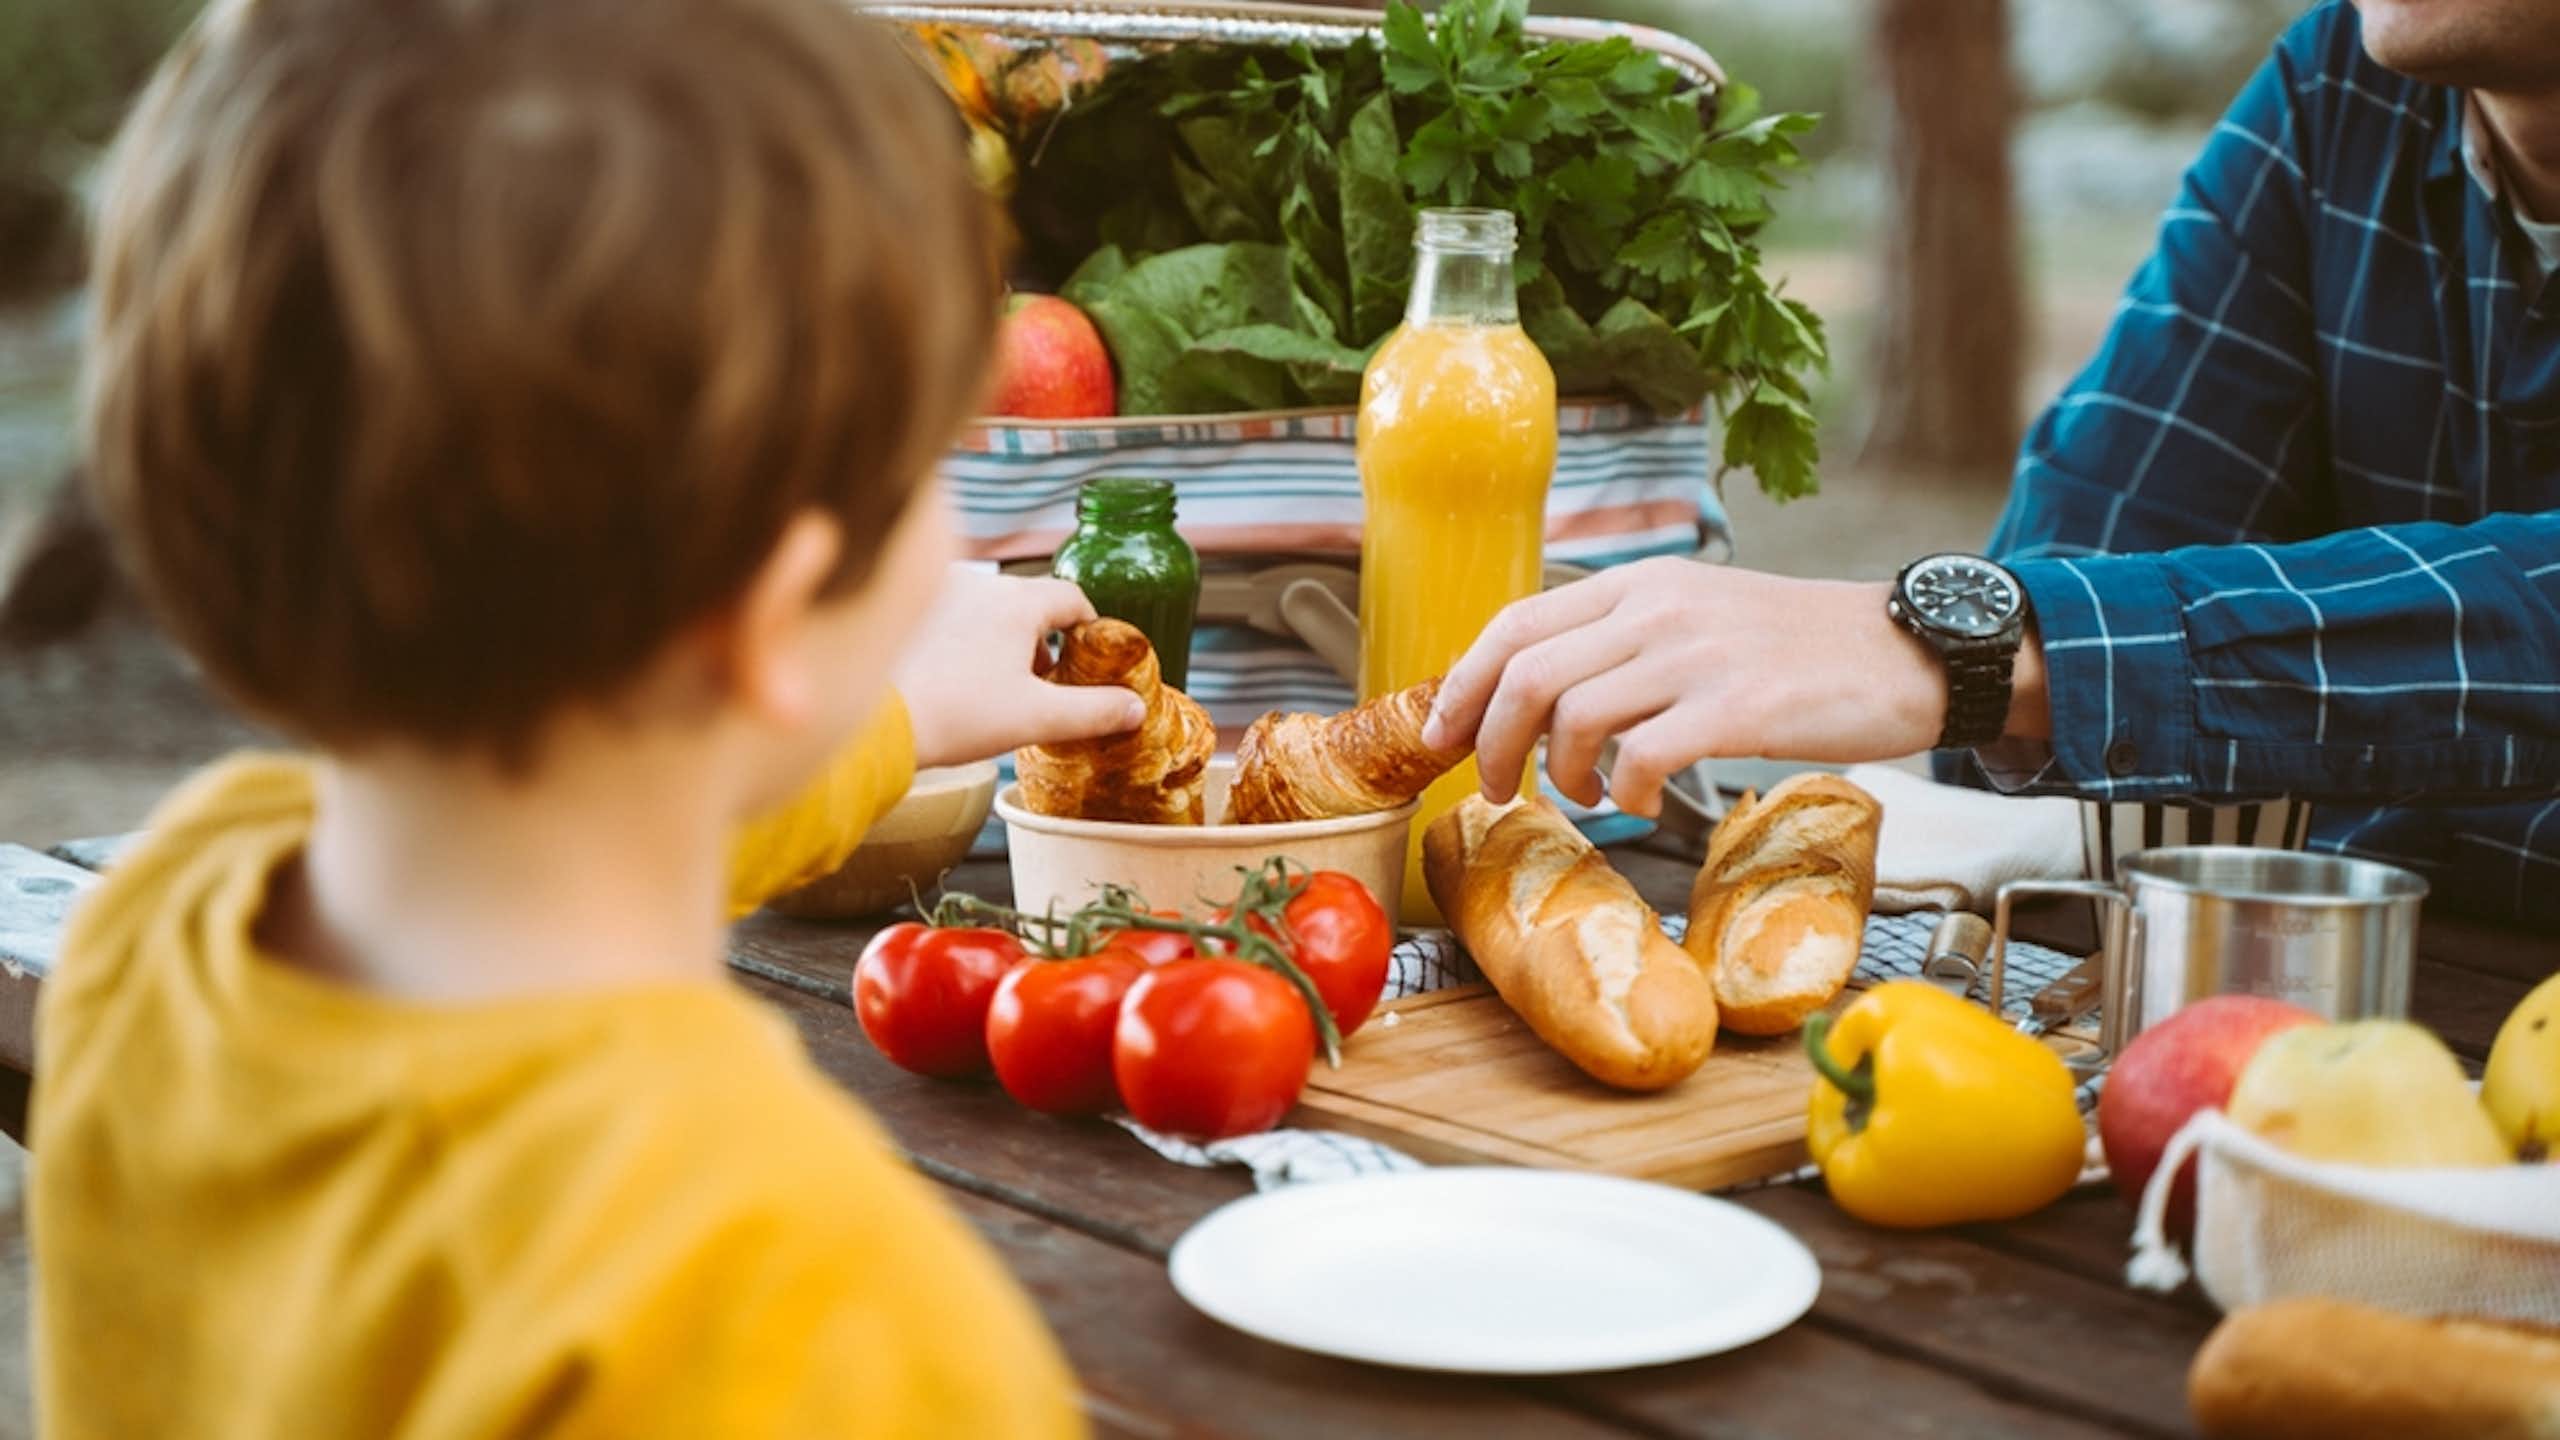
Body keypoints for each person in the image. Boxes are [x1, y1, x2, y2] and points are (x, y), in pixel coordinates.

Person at [32, 0, 1145, 1433]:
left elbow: (584, 828)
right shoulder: (811, 1300)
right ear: (770, 617)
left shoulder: (170, 916)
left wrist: (879, 712)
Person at [1423, 0, 2560, 929]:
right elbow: (2057, 643)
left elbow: (2048, 684)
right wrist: (1991, 665)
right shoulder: (2337, 90)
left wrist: (1994, 655)